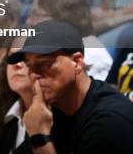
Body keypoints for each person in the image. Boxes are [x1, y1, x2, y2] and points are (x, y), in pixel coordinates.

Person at [8, 20, 133, 153]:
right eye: (30, 66)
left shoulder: (110, 121)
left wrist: (39, 137)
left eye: (44, 63)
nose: (34, 75)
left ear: (77, 62)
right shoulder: (50, 112)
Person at [0, 41, 35, 154]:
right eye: (12, 56)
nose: (17, 64)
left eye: (24, 57)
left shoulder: (60, 117)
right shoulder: (1, 114)